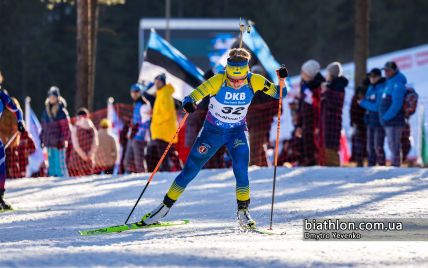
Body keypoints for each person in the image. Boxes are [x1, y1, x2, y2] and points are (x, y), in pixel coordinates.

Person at [138, 48, 288, 228]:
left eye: (240, 80)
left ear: (246, 74)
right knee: (190, 170)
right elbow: (194, 95)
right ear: (227, 73)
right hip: (212, 133)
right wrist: (189, 102)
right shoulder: (218, 80)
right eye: (232, 79)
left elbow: (280, 94)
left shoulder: (255, 80)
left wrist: (281, 81)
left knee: (241, 170)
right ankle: (163, 208)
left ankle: (243, 212)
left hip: (237, 132)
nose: (236, 83)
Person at [0, 71, 26, 210]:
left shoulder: (2, 96)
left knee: (1, 166)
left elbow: (17, 110)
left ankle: (0, 199)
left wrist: (20, 121)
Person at [146, 73, 182, 172]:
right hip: (163, 131)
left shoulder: (164, 95)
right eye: (155, 82)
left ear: (163, 82)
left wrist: (155, 118)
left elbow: (166, 114)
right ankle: (176, 169)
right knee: (168, 153)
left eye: (158, 82)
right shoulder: (162, 94)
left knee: (164, 154)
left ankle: (168, 171)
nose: (156, 84)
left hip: (163, 131)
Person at [295, 60, 325, 166]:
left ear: (309, 73)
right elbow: (301, 104)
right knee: (303, 143)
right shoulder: (303, 84)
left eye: (303, 72)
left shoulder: (320, 86)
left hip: (316, 121)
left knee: (314, 144)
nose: (301, 74)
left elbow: (320, 106)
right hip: (305, 119)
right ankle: (306, 163)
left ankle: (314, 164)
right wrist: (298, 124)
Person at [379, 61, 407, 167]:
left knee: (394, 144)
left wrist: (386, 117)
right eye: (385, 70)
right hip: (389, 121)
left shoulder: (398, 84)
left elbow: (397, 104)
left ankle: (396, 165)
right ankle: (395, 163)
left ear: (394, 71)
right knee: (391, 144)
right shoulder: (389, 82)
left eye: (388, 70)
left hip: (394, 120)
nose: (385, 72)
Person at [320, 62, 348, 166]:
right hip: (328, 121)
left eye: (328, 73)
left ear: (332, 74)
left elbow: (334, 103)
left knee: (332, 147)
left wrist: (326, 91)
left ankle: (334, 167)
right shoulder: (332, 86)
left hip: (333, 121)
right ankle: (329, 166)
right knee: (328, 146)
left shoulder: (338, 87)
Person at [40, 86, 70, 177]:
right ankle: (52, 177)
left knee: (59, 163)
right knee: (51, 162)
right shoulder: (46, 112)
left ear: (57, 98)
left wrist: (62, 140)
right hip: (49, 142)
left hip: (58, 143)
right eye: (50, 96)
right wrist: (42, 138)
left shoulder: (61, 112)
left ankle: (62, 178)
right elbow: (44, 127)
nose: (52, 98)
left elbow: (65, 128)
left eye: (54, 96)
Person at [359, 68, 386, 166]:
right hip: (370, 121)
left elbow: (377, 107)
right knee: (369, 147)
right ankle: (371, 165)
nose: (372, 78)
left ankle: (382, 165)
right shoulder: (371, 87)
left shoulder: (382, 88)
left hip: (379, 121)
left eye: (374, 76)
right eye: (370, 76)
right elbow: (369, 101)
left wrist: (363, 102)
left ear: (379, 77)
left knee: (378, 146)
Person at [124, 84, 151, 173]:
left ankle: (142, 179)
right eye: (133, 92)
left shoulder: (144, 104)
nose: (134, 94)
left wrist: (138, 135)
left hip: (139, 137)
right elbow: (134, 121)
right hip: (133, 136)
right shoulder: (136, 104)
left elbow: (146, 123)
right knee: (127, 161)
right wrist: (130, 133)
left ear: (140, 93)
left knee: (139, 162)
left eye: (136, 92)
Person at [68, 108, 98, 176]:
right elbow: (95, 143)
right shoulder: (92, 127)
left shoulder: (76, 127)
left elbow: (76, 145)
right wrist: (90, 154)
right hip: (89, 159)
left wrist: (83, 155)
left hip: (77, 159)